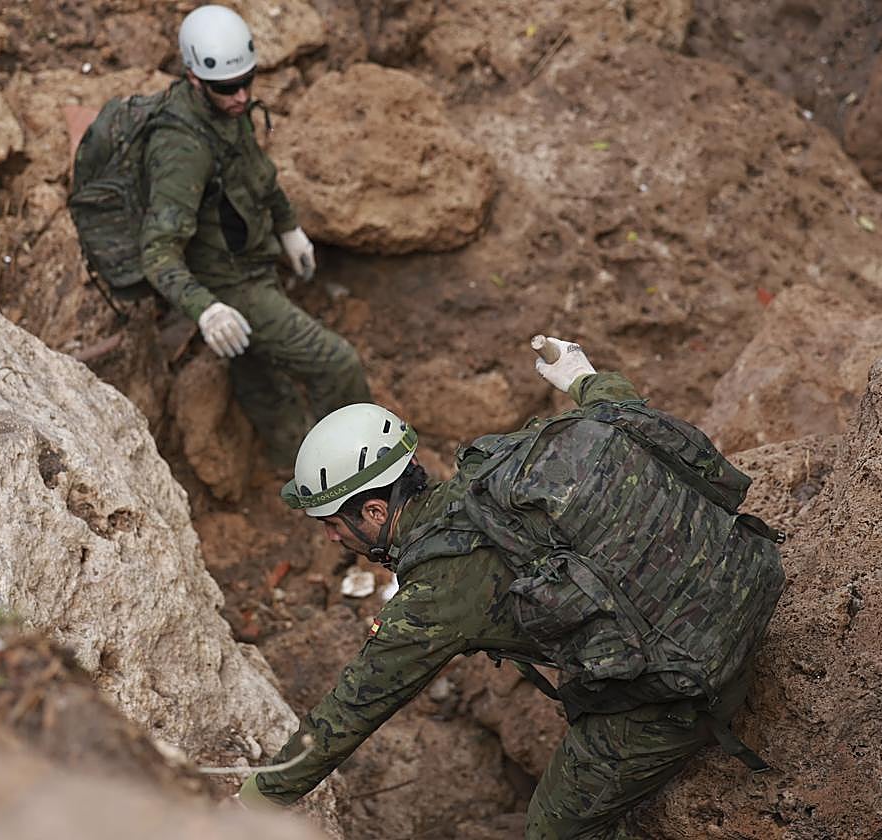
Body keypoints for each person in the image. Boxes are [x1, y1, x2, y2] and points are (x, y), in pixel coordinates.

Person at [236, 337, 785, 838]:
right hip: (747, 581)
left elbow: (351, 710)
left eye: (333, 524)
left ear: (375, 511)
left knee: (551, 831)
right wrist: (582, 376)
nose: (332, 539)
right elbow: (617, 413)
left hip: (687, 685)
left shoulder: (437, 590)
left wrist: (254, 799)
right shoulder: (506, 467)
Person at [140, 4, 370, 465]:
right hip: (230, 282)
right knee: (338, 364)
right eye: (227, 88)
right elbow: (158, 252)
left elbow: (258, 175)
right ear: (193, 78)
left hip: (252, 256)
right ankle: (352, 466)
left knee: (258, 367)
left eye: (248, 81)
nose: (242, 96)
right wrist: (206, 310)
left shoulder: (227, 109)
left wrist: (288, 228)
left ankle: (293, 456)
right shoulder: (182, 148)